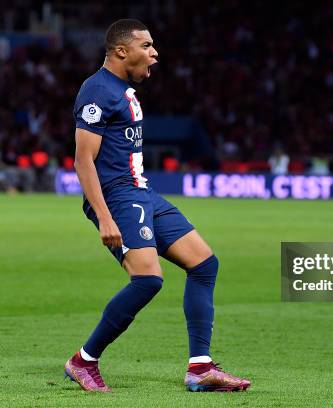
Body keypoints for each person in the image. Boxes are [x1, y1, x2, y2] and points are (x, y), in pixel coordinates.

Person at [64, 19, 250, 392]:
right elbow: (83, 161)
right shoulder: (97, 90)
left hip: (141, 192)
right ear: (121, 51)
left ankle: (200, 368)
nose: (154, 53)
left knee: (204, 263)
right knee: (148, 279)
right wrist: (104, 216)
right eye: (146, 46)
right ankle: (83, 361)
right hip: (117, 196)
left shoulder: (124, 90)